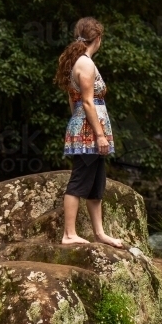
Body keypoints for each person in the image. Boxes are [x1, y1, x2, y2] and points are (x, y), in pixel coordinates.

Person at [53, 17, 124, 248]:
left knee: (96, 182)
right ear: (98, 39)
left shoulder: (78, 61)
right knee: (79, 180)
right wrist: (99, 134)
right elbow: (86, 101)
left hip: (84, 128)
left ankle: (100, 233)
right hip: (88, 132)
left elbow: (72, 101)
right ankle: (69, 234)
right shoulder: (85, 63)